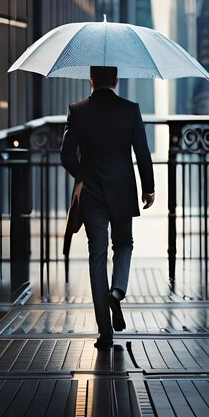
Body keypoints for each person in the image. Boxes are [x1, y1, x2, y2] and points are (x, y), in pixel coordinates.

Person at [60, 66, 155, 348]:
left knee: (97, 256)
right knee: (124, 244)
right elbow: (142, 152)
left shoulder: (77, 110)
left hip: (92, 194)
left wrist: (84, 174)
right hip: (123, 190)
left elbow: (66, 154)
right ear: (116, 80)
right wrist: (148, 187)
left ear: (91, 80)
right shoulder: (130, 110)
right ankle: (118, 290)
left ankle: (104, 331)